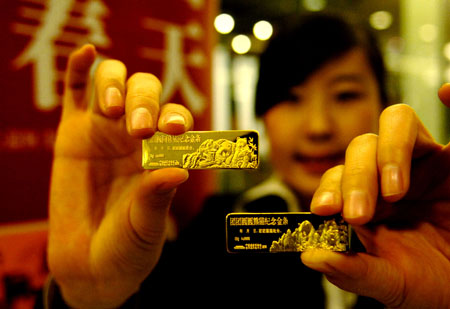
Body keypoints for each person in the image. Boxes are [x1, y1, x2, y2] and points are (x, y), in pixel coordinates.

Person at [43, 13, 449, 309]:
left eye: (345, 95)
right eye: (290, 98)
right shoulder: (213, 231)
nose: (318, 127)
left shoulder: (429, 229)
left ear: (385, 101)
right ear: (262, 114)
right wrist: (89, 297)